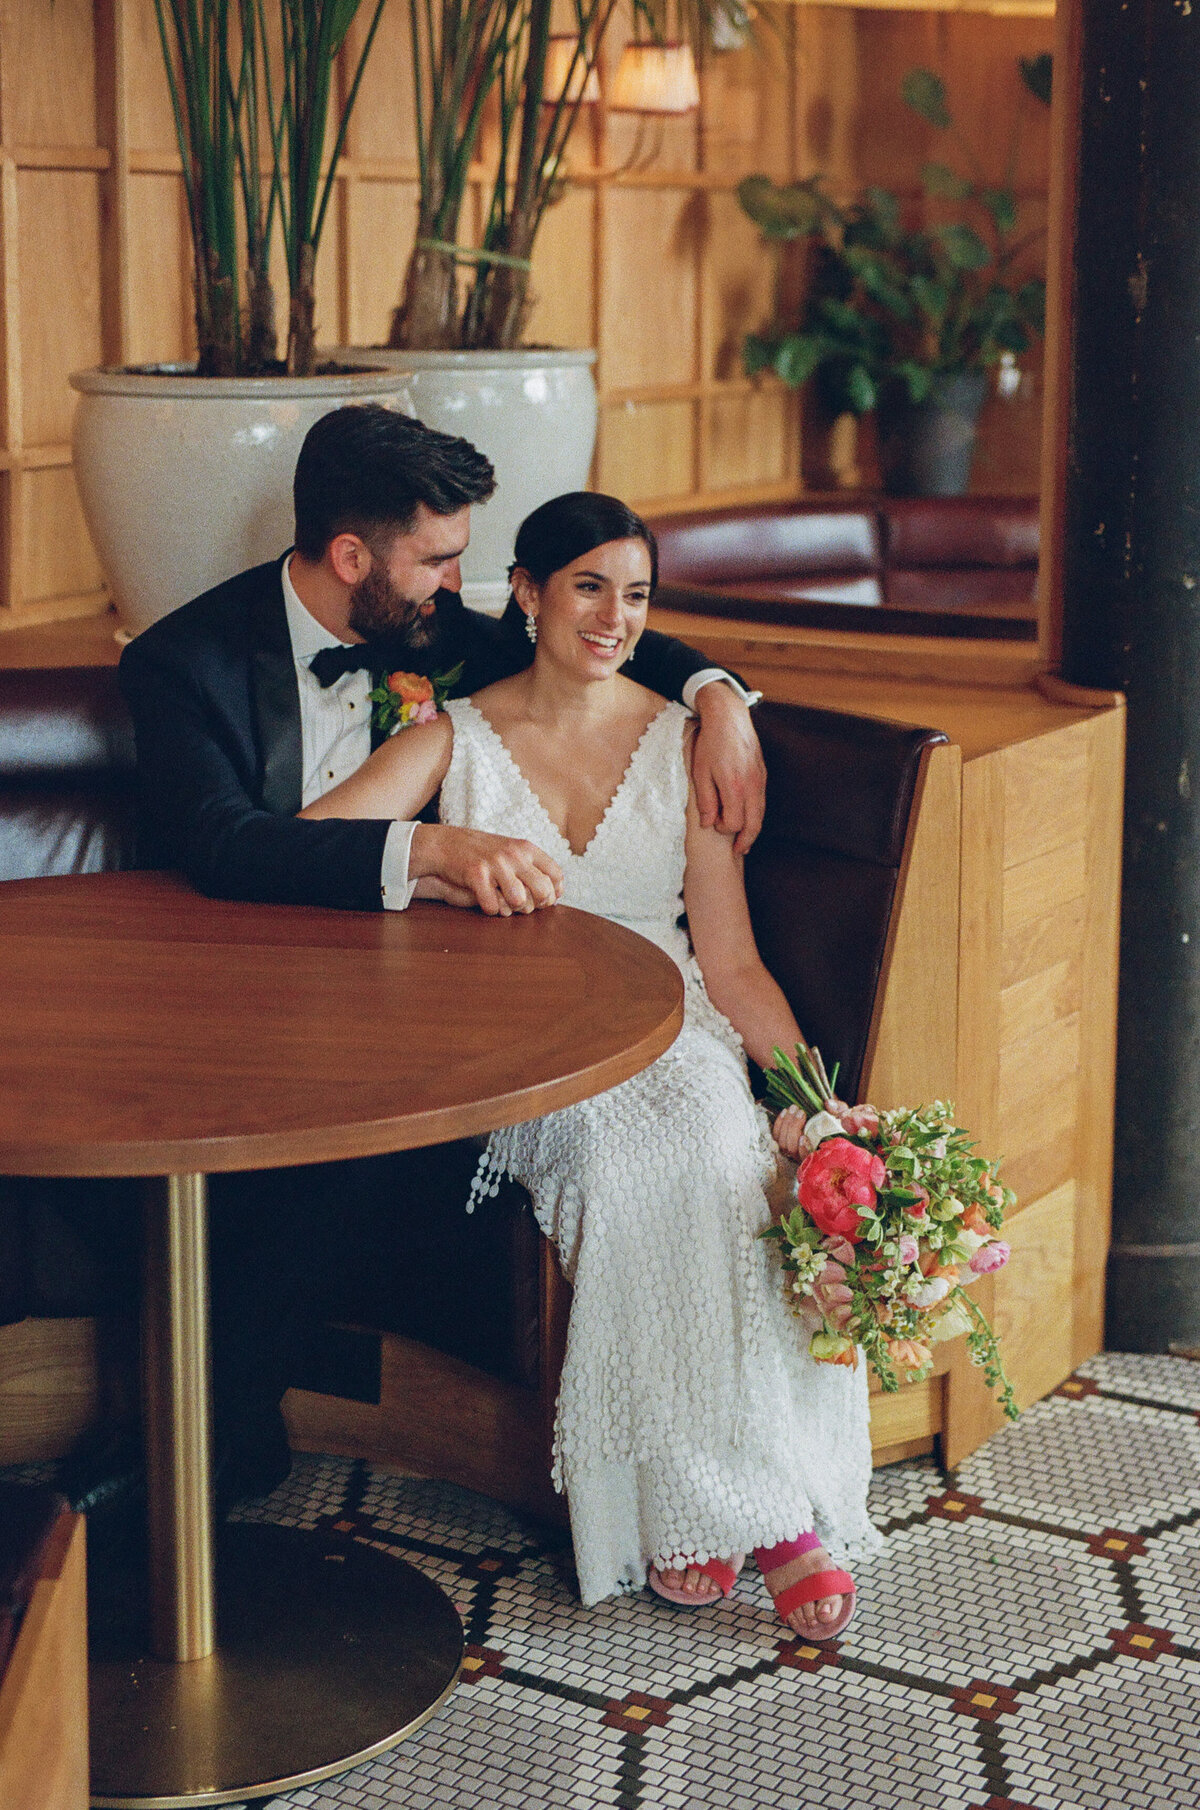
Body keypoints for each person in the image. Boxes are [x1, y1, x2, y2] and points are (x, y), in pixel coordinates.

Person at [108, 407, 768, 1512]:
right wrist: (425, 847)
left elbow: (596, 626)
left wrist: (718, 695)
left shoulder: (444, 622)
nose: (455, 580)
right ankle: (202, 1449)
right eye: (438, 556)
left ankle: (222, 1443)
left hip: (439, 1009)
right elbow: (219, 843)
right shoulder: (186, 662)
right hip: (253, 992)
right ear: (355, 556)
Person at [301, 491, 880, 1636]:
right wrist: (431, 862)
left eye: (639, 595)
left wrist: (818, 1107)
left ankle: (737, 1501)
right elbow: (311, 843)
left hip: (678, 1036)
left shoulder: (683, 740)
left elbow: (733, 964)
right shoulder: (450, 737)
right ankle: (749, 1513)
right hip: (524, 1058)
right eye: (587, 586)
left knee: (718, 1147)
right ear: (525, 593)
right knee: (619, 1173)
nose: (616, 617)